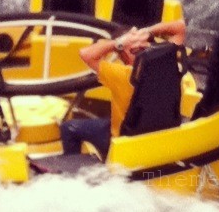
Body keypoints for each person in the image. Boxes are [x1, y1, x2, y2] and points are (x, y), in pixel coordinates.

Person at [60, 16, 187, 159]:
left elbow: (86, 54)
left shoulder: (122, 75)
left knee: (69, 128)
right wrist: (146, 32)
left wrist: (119, 43)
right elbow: (179, 27)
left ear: (122, 57)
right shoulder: (172, 66)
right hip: (160, 137)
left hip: (123, 142)